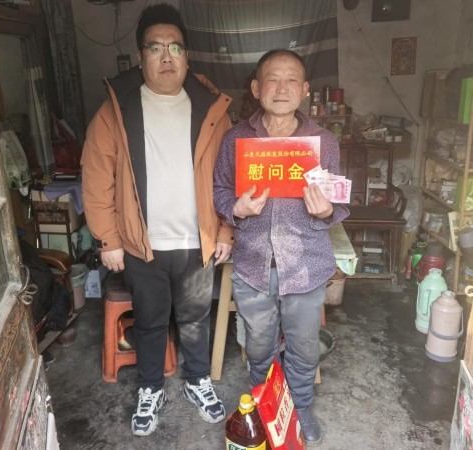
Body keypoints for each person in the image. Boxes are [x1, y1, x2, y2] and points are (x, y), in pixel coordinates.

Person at [81, 3, 233, 436]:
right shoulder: (117, 109)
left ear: (187, 56)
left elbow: (229, 175)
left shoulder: (212, 109)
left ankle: (197, 379)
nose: (167, 57)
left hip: (198, 241)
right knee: (149, 321)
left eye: (175, 47)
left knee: (195, 318)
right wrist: (108, 239)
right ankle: (151, 387)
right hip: (141, 244)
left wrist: (226, 230)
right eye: (155, 48)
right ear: (140, 56)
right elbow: (97, 176)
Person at [213, 49, 349, 445]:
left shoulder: (323, 142)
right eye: (272, 78)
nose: (282, 87)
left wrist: (327, 210)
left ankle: (300, 407)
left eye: (292, 80)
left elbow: (339, 197)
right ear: (257, 88)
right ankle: (264, 405)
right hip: (253, 264)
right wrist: (235, 208)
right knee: (259, 346)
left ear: (305, 90)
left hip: (306, 264)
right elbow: (220, 189)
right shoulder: (236, 139)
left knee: (304, 346)